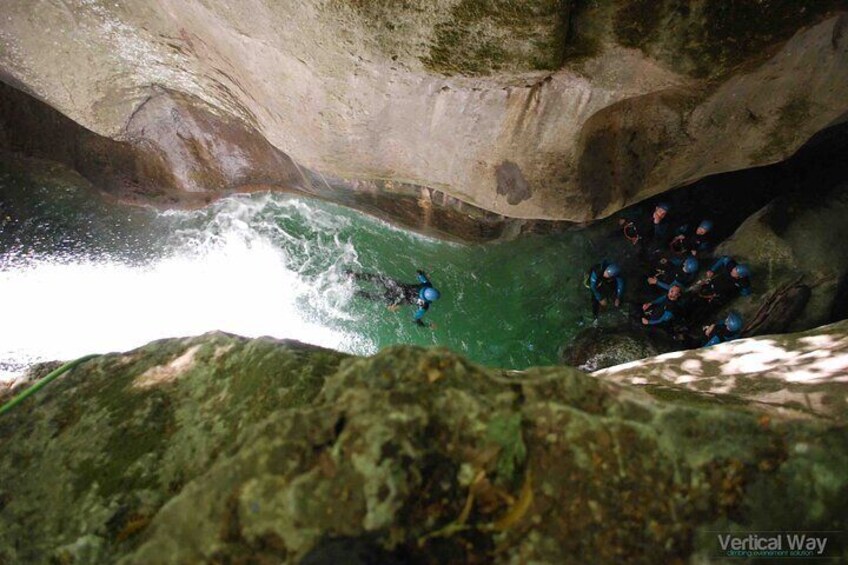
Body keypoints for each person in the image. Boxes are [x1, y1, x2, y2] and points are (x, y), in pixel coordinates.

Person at [347, 269, 440, 327]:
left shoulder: (427, 284)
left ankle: (354, 275)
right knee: (376, 297)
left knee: (377, 279)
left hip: (397, 287)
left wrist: (424, 274)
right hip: (397, 299)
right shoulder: (424, 306)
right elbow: (415, 319)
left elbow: (418, 272)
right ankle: (353, 292)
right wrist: (425, 325)